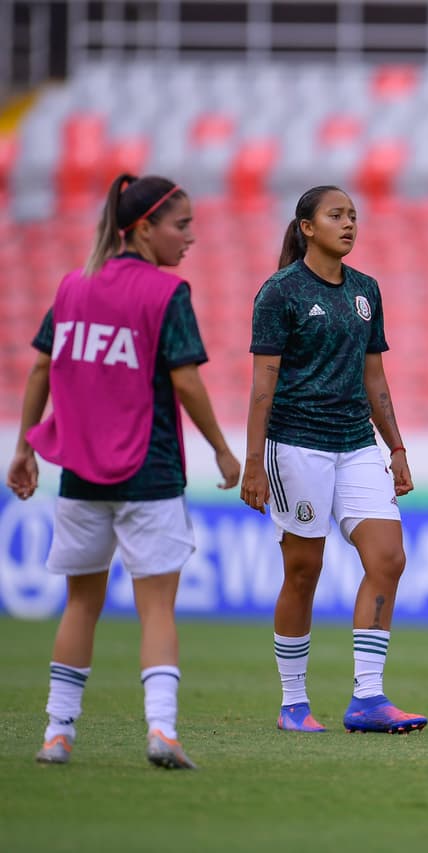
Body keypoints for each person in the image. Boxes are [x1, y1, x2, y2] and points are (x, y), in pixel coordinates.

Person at [7, 173, 241, 769]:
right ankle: (161, 731)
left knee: (80, 604)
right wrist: (220, 446)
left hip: (80, 474)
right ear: (143, 229)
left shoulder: (72, 287)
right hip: (150, 471)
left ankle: (57, 735)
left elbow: (40, 370)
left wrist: (25, 447)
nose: (189, 237)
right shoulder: (166, 294)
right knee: (156, 607)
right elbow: (186, 380)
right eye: (181, 225)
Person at [241, 185, 425, 735]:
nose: (349, 224)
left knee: (388, 558)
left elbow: (375, 379)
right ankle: (293, 703)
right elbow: (261, 386)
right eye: (336, 215)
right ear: (307, 227)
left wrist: (395, 446)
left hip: (357, 444)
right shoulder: (279, 293)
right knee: (303, 571)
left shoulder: (366, 290)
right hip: (296, 444)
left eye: (353, 216)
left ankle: (367, 698)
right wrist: (253, 462)